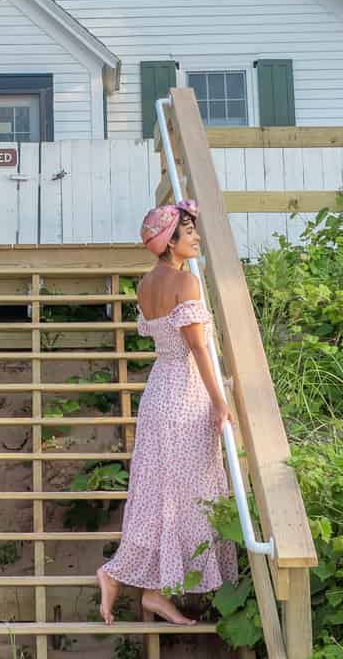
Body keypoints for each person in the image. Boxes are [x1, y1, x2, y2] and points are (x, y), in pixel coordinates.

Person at [96, 199, 238, 626]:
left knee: (160, 492)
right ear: (170, 242)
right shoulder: (186, 284)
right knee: (190, 493)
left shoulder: (144, 285)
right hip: (185, 391)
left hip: (158, 390)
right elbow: (196, 348)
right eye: (189, 232)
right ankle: (138, 581)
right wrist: (219, 400)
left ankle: (143, 586)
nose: (196, 239)